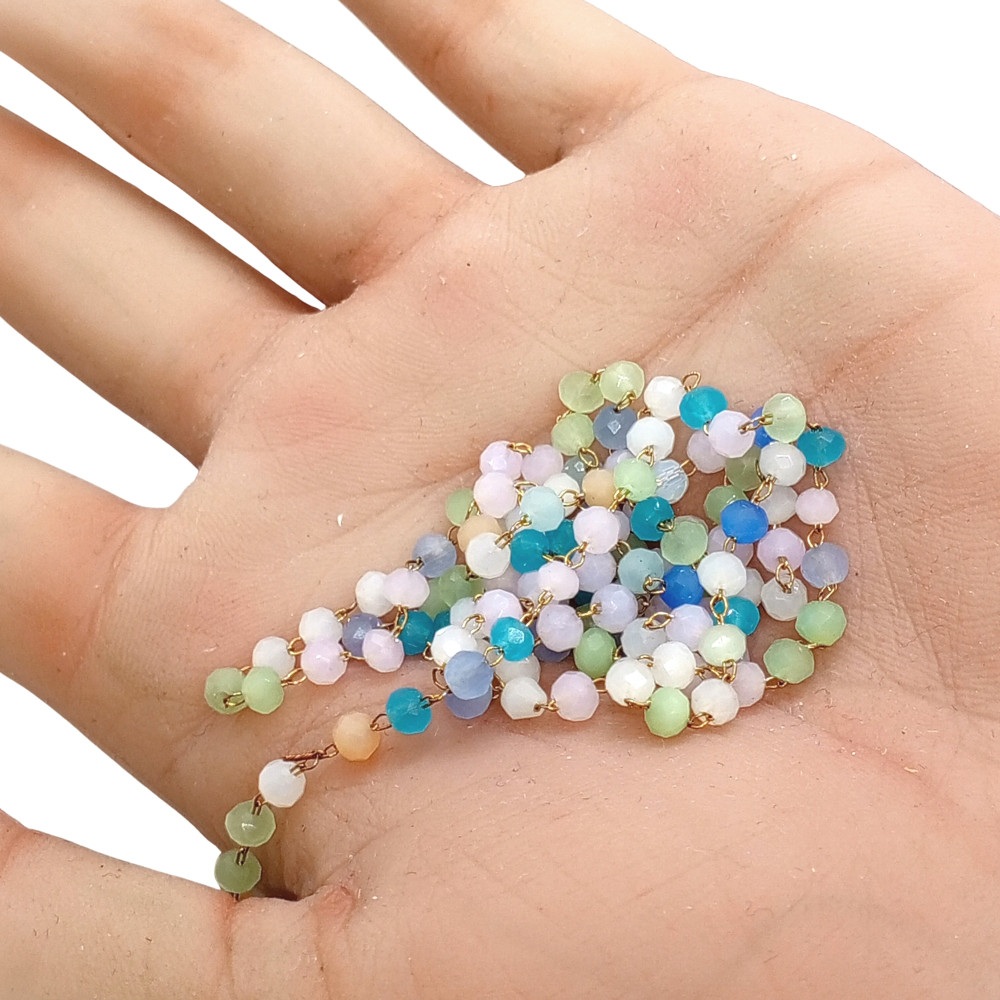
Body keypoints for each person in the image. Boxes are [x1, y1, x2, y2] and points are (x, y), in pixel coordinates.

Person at [0, 0, 997, 996]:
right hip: (554, 586)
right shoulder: (578, 534)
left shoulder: (691, 578)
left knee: (397, 654)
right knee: (385, 636)